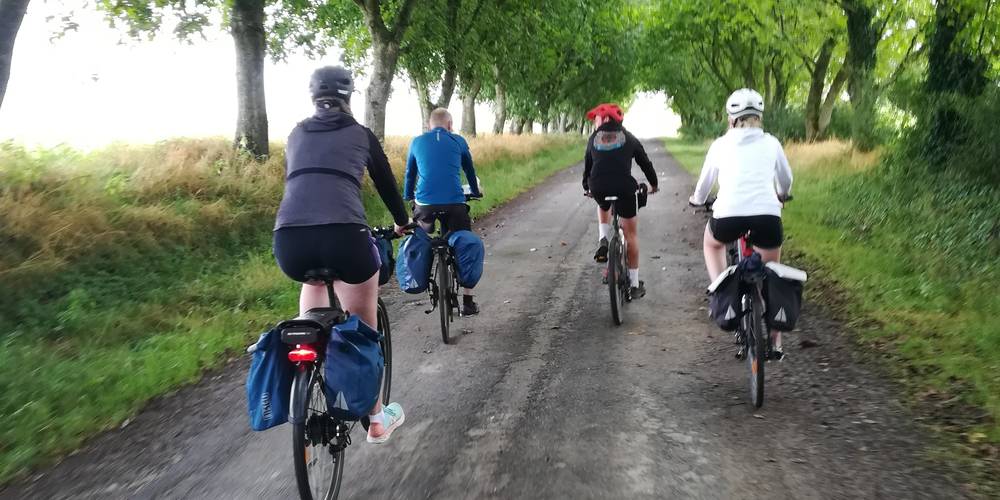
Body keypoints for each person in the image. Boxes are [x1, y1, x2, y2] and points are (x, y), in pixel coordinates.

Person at [273, 66, 408, 444]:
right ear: (349, 97)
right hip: (345, 236)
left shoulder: (296, 133)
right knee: (364, 323)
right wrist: (402, 222)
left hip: (289, 241)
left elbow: (302, 183)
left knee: (312, 279)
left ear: (313, 97)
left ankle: (307, 346)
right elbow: (386, 185)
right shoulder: (360, 134)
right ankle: (377, 419)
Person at [688, 88, 793, 354]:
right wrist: (781, 195)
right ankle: (776, 339)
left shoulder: (720, 145)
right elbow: (786, 179)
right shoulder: (772, 143)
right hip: (767, 216)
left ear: (731, 118)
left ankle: (725, 295)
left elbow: (704, 184)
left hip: (728, 216)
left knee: (712, 244)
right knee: (771, 272)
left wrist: (697, 200)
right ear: (759, 117)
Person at [403, 107, 484, 315]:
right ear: (450, 125)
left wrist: (408, 197)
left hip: (424, 206)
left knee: (422, 236)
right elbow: (469, 170)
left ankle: (424, 269)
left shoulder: (416, 142)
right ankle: (467, 301)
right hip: (454, 205)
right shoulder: (458, 141)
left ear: (428, 125)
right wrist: (476, 192)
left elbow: (409, 175)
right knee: (463, 238)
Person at [583, 102, 659, 298]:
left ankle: (603, 238)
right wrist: (654, 184)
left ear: (605, 119)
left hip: (598, 186)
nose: (595, 123)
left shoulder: (594, 138)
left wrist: (587, 187)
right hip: (625, 188)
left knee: (602, 202)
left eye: (596, 119)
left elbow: (588, 165)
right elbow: (645, 162)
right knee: (631, 234)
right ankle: (634, 284)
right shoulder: (629, 138)